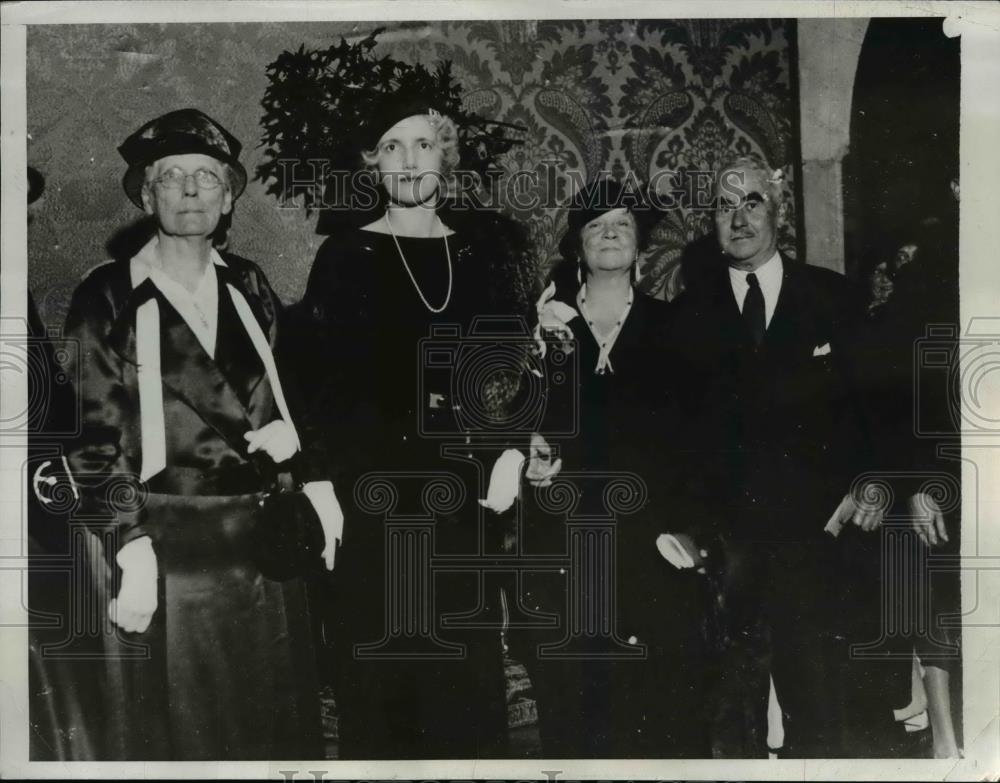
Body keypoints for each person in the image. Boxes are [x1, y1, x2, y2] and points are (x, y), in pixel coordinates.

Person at [62, 108, 341, 760]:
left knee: (271, 726)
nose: (190, 190)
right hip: (167, 548)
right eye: (172, 176)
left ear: (228, 197)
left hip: (262, 540)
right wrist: (129, 546)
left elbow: (290, 392)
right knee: (188, 734)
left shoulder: (247, 283)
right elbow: (91, 435)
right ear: (147, 195)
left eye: (207, 177)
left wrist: (310, 468)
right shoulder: (107, 295)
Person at [293, 90, 528, 759]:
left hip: (463, 500)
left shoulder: (486, 251)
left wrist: (511, 450)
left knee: (464, 683)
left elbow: (516, 358)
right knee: (379, 683)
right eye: (391, 147)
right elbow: (318, 385)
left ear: (445, 156)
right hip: (372, 501)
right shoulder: (345, 254)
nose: (408, 159)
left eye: (423, 143)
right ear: (373, 164)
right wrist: (320, 483)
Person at [667, 154, 884, 757]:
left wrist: (871, 480)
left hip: (818, 536)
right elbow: (678, 437)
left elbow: (874, 406)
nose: (738, 218)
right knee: (733, 715)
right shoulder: (688, 315)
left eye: (752, 201)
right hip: (730, 545)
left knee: (821, 708)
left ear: (779, 212)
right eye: (724, 206)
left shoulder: (832, 297)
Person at [514, 179, 712, 758]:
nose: (609, 233)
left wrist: (693, 531)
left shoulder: (675, 327)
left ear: (640, 244)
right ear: (577, 244)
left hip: (653, 542)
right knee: (576, 712)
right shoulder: (543, 329)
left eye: (622, 224)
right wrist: (528, 451)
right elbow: (514, 422)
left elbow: (703, 441)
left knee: (663, 712)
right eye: (596, 225)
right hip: (564, 547)